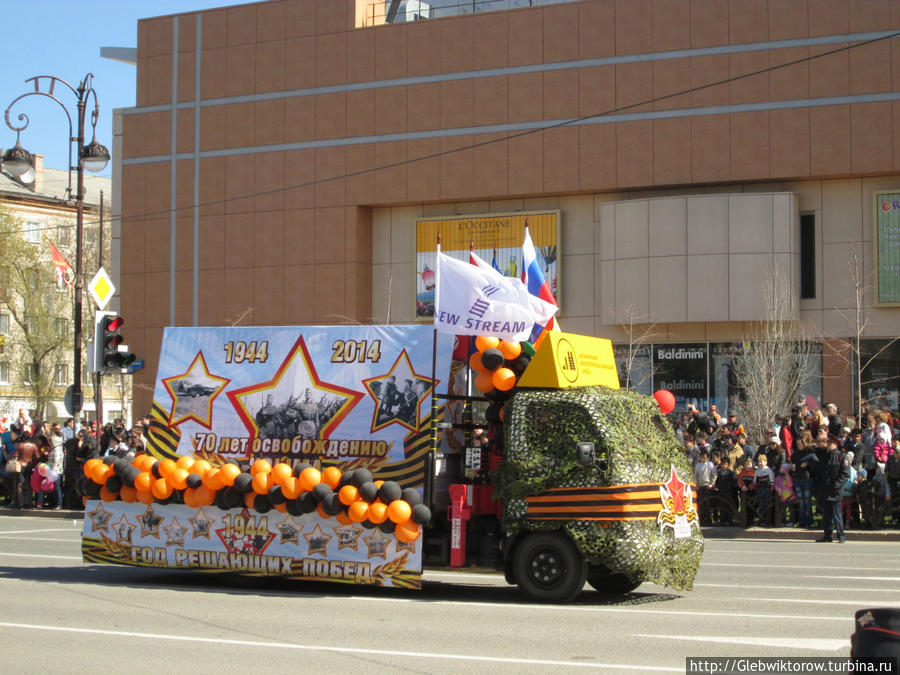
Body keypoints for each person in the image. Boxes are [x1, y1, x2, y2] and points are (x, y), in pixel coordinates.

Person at [818, 438, 850, 543]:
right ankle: (827, 535)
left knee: (837, 514)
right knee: (827, 515)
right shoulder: (825, 456)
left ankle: (841, 536)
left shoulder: (841, 457)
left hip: (836, 490)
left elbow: (845, 474)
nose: (828, 445)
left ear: (835, 444)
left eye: (830, 443)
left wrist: (836, 485)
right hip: (826, 489)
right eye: (828, 443)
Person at [791, 438, 818, 528]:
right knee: (801, 501)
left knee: (807, 500)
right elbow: (792, 461)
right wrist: (793, 466)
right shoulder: (796, 454)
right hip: (798, 478)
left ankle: (809, 521)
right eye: (797, 444)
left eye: (800, 444)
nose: (799, 446)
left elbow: (817, 462)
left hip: (807, 478)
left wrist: (808, 464)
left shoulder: (809, 453)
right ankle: (802, 521)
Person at [753, 455, 775, 526]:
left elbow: (772, 479)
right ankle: (761, 519)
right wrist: (756, 487)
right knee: (761, 505)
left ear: (766, 462)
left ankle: (767, 520)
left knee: (767, 505)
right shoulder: (757, 471)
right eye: (759, 462)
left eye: (762, 461)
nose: (760, 463)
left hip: (767, 489)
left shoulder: (768, 470)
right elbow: (755, 480)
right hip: (760, 489)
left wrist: (771, 487)